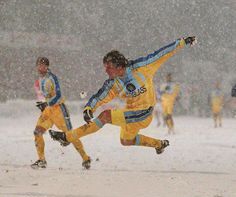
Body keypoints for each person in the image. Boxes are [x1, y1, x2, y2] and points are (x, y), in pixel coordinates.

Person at [49, 37, 197, 160]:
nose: (106, 70)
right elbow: (100, 95)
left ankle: (67, 137)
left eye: (108, 67)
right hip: (131, 114)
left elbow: (161, 54)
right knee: (126, 141)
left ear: (119, 66)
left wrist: (182, 42)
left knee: (105, 115)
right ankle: (159, 144)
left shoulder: (142, 67)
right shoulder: (114, 82)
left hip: (144, 112)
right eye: (105, 67)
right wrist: (89, 108)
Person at [31, 57, 91, 169]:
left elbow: (58, 95)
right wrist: (45, 104)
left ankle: (85, 158)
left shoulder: (52, 78)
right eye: (39, 65)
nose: (40, 67)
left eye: (43, 65)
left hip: (59, 109)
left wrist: (50, 103)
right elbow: (48, 96)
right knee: (37, 132)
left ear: (47, 66)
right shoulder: (40, 79)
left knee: (70, 135)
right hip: (49, 110)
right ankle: (41, 160)